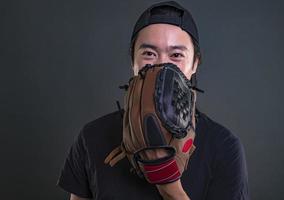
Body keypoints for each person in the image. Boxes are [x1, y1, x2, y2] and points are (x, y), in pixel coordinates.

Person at [57, 1, 250, 200]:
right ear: (133, 60)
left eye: (176, 55)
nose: (162, 66)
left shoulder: (224, 147)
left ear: (194, 65)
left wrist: (168, 183)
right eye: (149, 54)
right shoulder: (92, 137)